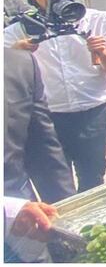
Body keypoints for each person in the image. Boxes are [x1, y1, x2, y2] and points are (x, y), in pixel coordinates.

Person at [4, 0, 106, 193]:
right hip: (46, 119)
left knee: (93, 175)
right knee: (54, 184)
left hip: (93, 113)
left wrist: (102, 52)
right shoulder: (18, 31)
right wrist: (15, 55)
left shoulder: (101, 20)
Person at [4, 48, 75, 262]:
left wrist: (70, 220)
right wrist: (7, 210)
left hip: (28, 230)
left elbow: (43, 149)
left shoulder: (20, 63)